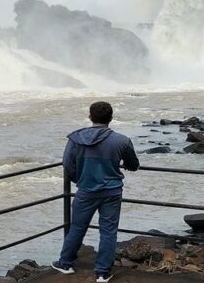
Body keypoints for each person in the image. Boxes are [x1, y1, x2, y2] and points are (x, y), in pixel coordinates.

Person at [51, 101, 140, 282]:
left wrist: (81, 178)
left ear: (90, 117)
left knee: (77, 228)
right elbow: (133, 165)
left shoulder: (75, 139)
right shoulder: (122, 140)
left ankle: (65, 263)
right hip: (112, 191)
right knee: (108, 231)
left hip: (86, 190)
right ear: (111, 118)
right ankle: (102, 273)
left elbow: (68, 165)